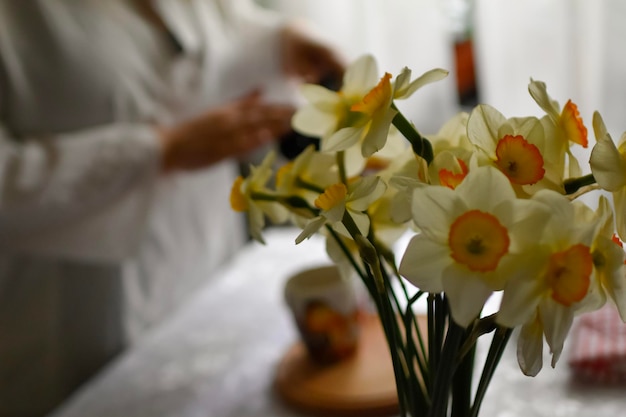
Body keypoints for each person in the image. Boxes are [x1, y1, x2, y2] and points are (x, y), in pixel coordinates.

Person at [0, 1, 345, 416]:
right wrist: (159, 150)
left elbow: (217, 34)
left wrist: (281, 40)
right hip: (80, 309)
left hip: (206, 260)